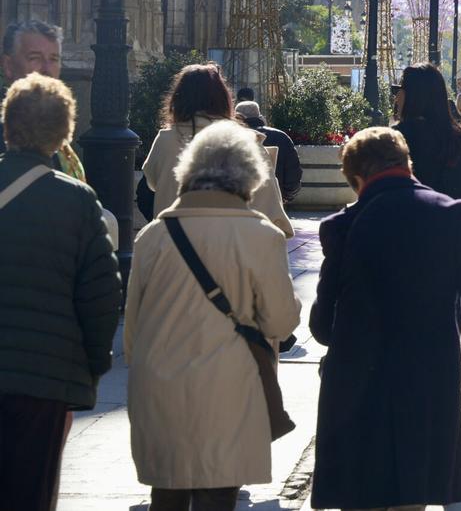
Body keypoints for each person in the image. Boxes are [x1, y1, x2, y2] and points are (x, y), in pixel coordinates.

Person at [308, 127, 461, 511]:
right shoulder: (452, 215)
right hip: (429, 387)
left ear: (357, 180)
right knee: (413, 495)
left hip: (358, 391)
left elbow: (322, 327)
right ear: (407, 163)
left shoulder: (341, 227)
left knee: (362, 496)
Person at [125, 121, 301, 511]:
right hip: (232, 389)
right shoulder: (262, 236)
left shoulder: (153, 236)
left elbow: (132, 334)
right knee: (218, 494)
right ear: (251, 175)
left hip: (160, 388)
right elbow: (281, 323)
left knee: (166, 494)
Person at [0, 74, 122, 511]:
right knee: (29, 493)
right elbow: (102, 296)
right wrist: (89, 365)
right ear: (63, 133)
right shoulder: (78, 201)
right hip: (42, 381)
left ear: (8, 126)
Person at [143, 64, 293, 237]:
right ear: (224, 99)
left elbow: (152, 183)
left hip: (174, 245)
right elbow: (270, 208)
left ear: (178, 99)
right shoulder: (246, 142)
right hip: (234, 247)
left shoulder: (165, 140)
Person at [394, 63, 461, 216]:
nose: (396, 97)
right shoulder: (460, 140)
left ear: (412, 95)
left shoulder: (396, 139)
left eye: (399, 90)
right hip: (452, 234)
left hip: (408, 234)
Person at [0, 20, 85, 179]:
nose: (46, 69)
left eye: (53, 59)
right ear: (8, 65)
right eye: (35, 58)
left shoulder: (55, 122)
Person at [235, 100, 303, 204]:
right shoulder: (281, 137)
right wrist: (285, 196)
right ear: (259, 115)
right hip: (274, 200)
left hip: (240, 202)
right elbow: (293, 171)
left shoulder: (233, 138)